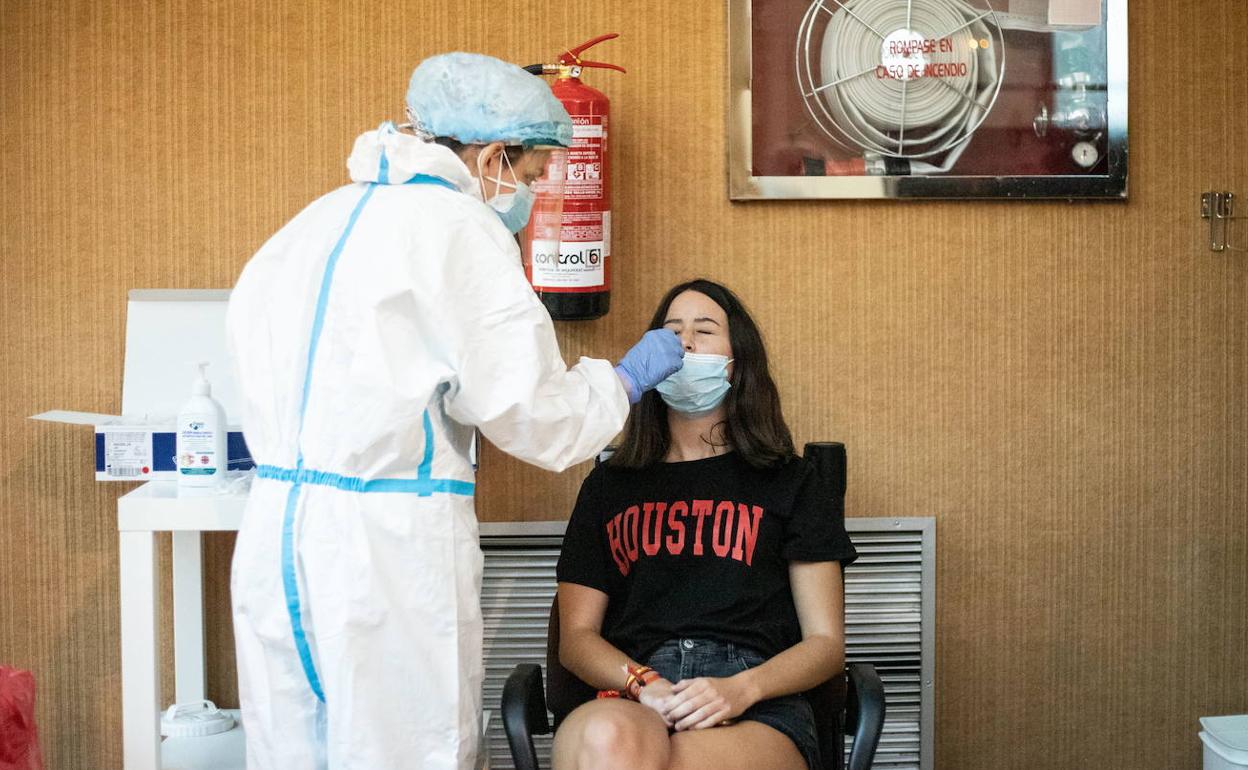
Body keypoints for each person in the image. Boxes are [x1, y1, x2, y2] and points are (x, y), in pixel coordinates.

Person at [225, 52, 683, 770]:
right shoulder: (458, 231)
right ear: (494, 153)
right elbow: (535, 417)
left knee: (292, 750)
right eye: (530, 177)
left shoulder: (312, 224)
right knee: (410, 751)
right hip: (387, 548)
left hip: (274, 535)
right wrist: (621, 383)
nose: (528, 199)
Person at [553, 279, 858, 770]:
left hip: (755, 699)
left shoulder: (792, 482)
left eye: (705, 330)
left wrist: (740, 689)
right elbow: (578, 637)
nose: (686, 342)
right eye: (672, 332)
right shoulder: (610, 486)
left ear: (739, 360)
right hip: (639, 688)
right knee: (606, 739)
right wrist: (643, 682)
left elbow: (825, 645)